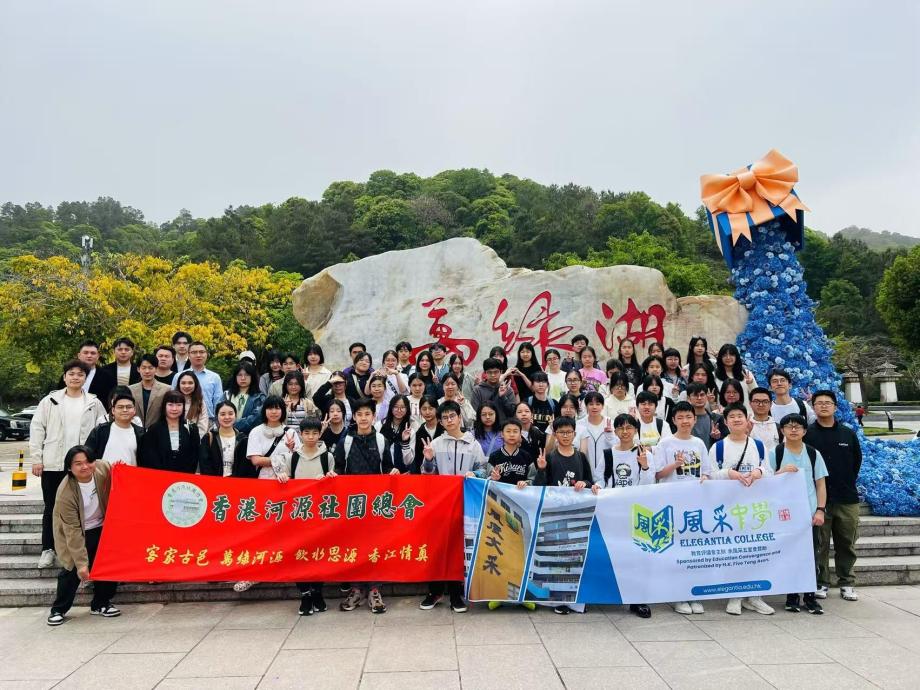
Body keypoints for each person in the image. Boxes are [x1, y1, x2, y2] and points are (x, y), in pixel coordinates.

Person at [30, 360, 107, 568]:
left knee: (84, 507)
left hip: (83, 467)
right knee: (51, 507)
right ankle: (48, 549)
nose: (75, 377)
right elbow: (37, 429)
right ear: (64, 377)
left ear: (85, 378)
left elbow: (102, 432)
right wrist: (37, 459)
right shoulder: (50, 401)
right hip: (54, 463)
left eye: (80, 374)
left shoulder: (94, 402)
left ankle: (83, 551)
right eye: (71, 373)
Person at [326, 398, 400, 614]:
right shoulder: (346, 441)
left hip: (377, 504)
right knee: (355, 546)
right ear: (354, 417)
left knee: (375, 545)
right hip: (353, 504)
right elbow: (339, 468)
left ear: (374, 416)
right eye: (359, 414)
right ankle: (357, 589)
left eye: (368, 414)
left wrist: (393, 472)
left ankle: (375, 590)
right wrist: (333, 474)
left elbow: (388, 467)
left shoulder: (381, 440)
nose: (364, 418)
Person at [419, 400, 491, 613]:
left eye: (452, 416)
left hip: (465, 503)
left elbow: (483, 470)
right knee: (438, 547)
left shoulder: (473, 444)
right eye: (445, 418)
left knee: (458, 549)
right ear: (440, 422)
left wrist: (474, 474)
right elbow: (427, 474)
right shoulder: (436, 443)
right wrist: (429, 460)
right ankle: (434, 591)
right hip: (440, 505)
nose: (449, 420)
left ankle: (456, 594)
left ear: (460, 417)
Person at [710, 403, 775, 616]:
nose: (737, 419)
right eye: (732, 416)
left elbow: (769, 471)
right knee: (734, 553)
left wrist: (758, 472)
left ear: (747, 421)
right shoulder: (718, 447)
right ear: (726, 422)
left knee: (756, 552)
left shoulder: (758, 445)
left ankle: (754, 597)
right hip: (729, 509)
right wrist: (728, 473)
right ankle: (735, 596)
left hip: (755, 508)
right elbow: (710, 475)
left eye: (740, 416)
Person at [530, 416, 599, 614]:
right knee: (556, 558)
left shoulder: (581, 457)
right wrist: (541, 469)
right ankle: (557, 601)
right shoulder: (550, 457)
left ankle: (575, 599)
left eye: (569, 432)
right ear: (555, 434)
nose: (566, 436)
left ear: (575, 434)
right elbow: (539, 487)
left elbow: (590, 480)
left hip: (576, 514)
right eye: (561, 432)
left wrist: (585, 484)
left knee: (574, 557)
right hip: (555, 515)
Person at [233, 396, 301, 593]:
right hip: (263, 485)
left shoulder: (291, 432)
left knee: (286, 528)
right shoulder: (256, 431)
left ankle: (285, 567)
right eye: (270, 408)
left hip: (287, 484)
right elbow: (255, 460)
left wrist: (290, 453)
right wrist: (283, 458)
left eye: (278, 408)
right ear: (264, 411)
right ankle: (254, 573)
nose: (274, 411)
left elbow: (298, 458)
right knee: (263, 530)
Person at [46, 446, 120, 625]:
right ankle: (58, 609)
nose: (85, 466)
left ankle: (101, 604)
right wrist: (81, 564)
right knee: (72, 569)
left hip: (101, 526)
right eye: (78, 463)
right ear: (69, 467)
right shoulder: (65, 492)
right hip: (77, 531)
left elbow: (119, 476)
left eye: (88, 461)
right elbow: (72, 532)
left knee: (108, 563)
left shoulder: (102, 468)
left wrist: (121, 469)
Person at [805, 390, 863, 603]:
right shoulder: (808, 434)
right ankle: (821, 581)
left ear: (835, 407)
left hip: (847, 497)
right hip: (819, 500)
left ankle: (847, 582)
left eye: (827, 403)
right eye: (819, 403)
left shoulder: (847, 433)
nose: (823, 406)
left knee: (846, 542)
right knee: (820, 543)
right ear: (813, 407)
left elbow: (856, 462)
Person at [654, 401, 711, 615]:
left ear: (694, 419)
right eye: (680, 417)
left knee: (692, 551)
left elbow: (707, 471)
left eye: (688, 417)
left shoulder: (699, 443)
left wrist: (705, 478)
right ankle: (678, 594)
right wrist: (675, 465)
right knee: (675, 550)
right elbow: (658, 474)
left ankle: (693, 593)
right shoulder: (665, 444)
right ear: (673, 420)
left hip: (694, 505)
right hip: (672, 503)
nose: (685, 421)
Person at [771, 413, 828, 614]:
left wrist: (820, 510)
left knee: (811, 555)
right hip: (784, 515)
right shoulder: (775, 452)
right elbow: (766, 482)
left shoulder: (813, 454)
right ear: (782, 430)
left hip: (808, 514)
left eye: (798, 426)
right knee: (788, 555)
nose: (793, 430)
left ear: (805, 431)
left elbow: (820, 484)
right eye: (789, 426)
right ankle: (792, 596)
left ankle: (810, 597)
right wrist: (780, 472)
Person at [281, 417, 332, 615]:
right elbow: (286, 483)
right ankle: (305, 595)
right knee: (299, 556)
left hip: (320, 515)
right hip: (298, 515)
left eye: (315, 433)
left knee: (319, 555)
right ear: (300, 435)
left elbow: (334, 485)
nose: (311, 437)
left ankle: (317, 592)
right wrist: (283, 478)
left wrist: (329, 479)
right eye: (307, 433)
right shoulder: (292, 457)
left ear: (320, 434)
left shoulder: (327, 457)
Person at [608, 414, 654, 618]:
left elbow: (649, 484)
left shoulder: (644, 452)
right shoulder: (608, 453)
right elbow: (601, 478)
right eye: (620, 428)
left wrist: (644, 466)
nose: (625, 432)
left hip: (637, 510)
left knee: (638, 556)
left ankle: (638, 599)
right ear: (615, 431)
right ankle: (615, 594)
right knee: (617, 554)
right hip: (614, 510)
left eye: (629, 428)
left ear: (636, 430)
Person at [138, 390, 201, 473]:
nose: (174, 409)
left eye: (179, 405)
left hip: (184, 476)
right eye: (170, 405)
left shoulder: (192, 428)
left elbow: (194, 455)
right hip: (160, 475)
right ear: (164, 406)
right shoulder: (154, 429)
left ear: (183, 406)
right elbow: (149, 456)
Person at [85, 392, 144, 465]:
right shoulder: (100, 431)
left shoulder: (141, 434)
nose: (125, 410)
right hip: (104, 472)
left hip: (131, 472)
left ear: (134, 410)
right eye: (120, 407)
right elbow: (87, 455)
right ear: (113, 410)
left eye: (129, 407)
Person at [172, 341, 223, 424]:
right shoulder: (178, 376)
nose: (198, 355)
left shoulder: (214, 377)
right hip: (181, 420)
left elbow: (218, 402)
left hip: (209, 421)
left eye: (201, 352)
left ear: (206, 354)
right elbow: (173, 399)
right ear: (188, 355)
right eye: (194, 352)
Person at [575, 392, 616, 489]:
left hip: (606, 471)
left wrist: (610, 436)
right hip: (586, 472)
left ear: (603, 406)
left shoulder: (610, 423)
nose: (594, 407)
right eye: (591, 404)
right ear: (586, 406)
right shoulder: (579, 424)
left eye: (598, 404)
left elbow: (617, 446)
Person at [199, 401, 247, 477]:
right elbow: (205, 465)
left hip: (236, 482)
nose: (227, 417)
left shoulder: (243, 439)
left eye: (230, 414)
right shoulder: (208, 438)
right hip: (213, 482)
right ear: (217, 416)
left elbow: (244, 467)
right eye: (222, 414)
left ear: (235, 415)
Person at [130, 354, 172, 429]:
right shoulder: (130, 390)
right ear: (138, 369)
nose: (147, 371)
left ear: (156, 369)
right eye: (144, 368)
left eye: (150, 368)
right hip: (134, 430)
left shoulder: (166, 389)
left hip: (157, 431)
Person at [224, 360, 265, 433]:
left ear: (252, 377)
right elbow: (218, 413)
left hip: (249, 435)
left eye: (247, 375)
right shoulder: (227, 395)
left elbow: (256, 418)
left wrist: (232, 425)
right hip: (227, 434)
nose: (243, 378)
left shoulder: (259, 397)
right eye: (240, 375)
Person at [376, 395, 414, 472]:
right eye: (396, 407)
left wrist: (405, 442)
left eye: (402, 407)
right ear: (391, 408)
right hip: (383, 472)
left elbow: (408, 461)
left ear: (407, 409)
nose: (399, 410)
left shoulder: (410, 431)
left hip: (402, 474)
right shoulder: (379, 425)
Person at [686, 382, 727, 450]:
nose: (699, 398)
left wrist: (718, 437)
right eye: (695, 395)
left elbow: (726, 441)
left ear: (706, 397)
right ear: (688, 398)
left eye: (702, 395)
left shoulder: (717, 418)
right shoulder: (684, 420)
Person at [410, 396, 443, 474]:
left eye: (431, 408)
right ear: (420, 411)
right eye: (424, 409)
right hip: (426, 475)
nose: (427, 412)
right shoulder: (419, 433)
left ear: (436, 409)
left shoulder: (444, 429)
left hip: (444, 474)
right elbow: (418, 460)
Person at [175, 370, 211, 439]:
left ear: (195, 384)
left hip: (193, 441)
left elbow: (203, 426)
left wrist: (193, 441)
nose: (187, 386)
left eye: (190, 383)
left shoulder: (200, 402)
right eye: (183, 383)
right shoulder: (172, 400)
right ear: (178, 384)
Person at [748, 387, 781, 454]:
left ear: (771, 404)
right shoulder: (746, 426)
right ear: (750, 404)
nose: (760, 405)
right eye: (756, 401)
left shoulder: (779, 428)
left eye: (765, 402)